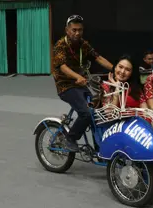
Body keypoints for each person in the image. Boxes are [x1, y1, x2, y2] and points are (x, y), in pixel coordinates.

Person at [52, 15, 113, 152]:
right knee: (86, 113)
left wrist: (116, 69)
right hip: (65, 85)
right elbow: (62, 66)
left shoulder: (83, 44)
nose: (77, 33)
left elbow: (98, 57)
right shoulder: (60, 45)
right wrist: (77, 76)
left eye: (80, 30)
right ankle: (70, 138)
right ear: (67, 30)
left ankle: (98, 147)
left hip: (81, 84)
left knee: (96, 113)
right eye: (74, 30)